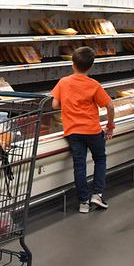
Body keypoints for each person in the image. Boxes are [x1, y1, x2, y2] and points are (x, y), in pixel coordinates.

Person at [51, 47, 115, 213]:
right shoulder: (94, 85)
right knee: (100, 159)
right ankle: (97, 194)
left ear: (73, 64)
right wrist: (110, 126)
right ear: (91, 66)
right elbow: (109, 105)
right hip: (93, 131)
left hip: (73, 131)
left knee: (79, 165)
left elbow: (55, 105)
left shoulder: (63, 82)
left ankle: (83, 203)